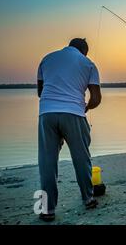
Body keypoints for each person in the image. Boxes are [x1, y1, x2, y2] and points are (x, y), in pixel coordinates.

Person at [37, 38, 102, 222]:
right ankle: (88, 199)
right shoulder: (88, 63)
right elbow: (96, 98)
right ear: (84, 51)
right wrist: (86, 107)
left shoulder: (47, 59)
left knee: (46, 163)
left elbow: (41, 92)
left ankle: (47, 210)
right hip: (74, 112)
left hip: (46, 114)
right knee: (81, 158)